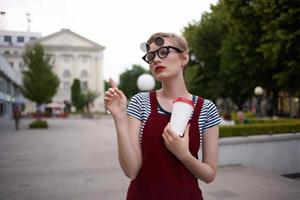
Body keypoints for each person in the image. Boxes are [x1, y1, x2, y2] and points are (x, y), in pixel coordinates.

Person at [104, 32, 221, 200]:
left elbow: (209, 175)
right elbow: (131, 170)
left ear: (184, 58)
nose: (156, 60)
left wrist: (184, 155)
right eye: (151, 56)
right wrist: (120, 118)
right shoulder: (141, 102)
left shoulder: (206, 109)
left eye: (164, 51)